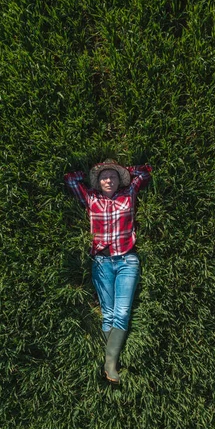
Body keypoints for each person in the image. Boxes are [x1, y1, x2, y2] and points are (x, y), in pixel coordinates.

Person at [64, 158, 152, 384]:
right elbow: (70, 180)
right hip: (102, 262)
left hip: (127, 260)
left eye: (113, 176)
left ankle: (109, 364)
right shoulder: (90, 198)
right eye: (104, 177)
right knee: (109, 314)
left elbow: (145, 172)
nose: (109, 180)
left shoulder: (128, 194)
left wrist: (126, 171)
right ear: (98, 181)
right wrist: (91, 173)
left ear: (119, 179)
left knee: (122, 313)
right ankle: (108, 364)